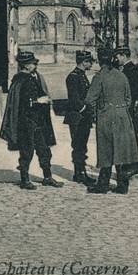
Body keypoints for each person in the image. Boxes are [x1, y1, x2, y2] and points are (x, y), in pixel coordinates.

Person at [0, 51, 63, 190]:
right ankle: (24, 180)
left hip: (38, 122)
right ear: (26, 65)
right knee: (26, 151)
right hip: (26, 123)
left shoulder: (32, 78)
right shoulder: (20, 80)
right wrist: (38, 101)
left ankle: (47, 177)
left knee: (44, 150)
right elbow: (23, 105)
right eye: (33, 63)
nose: (35, 65)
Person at [84, 48, 138, 194]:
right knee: (121, 149)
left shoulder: (99, 77)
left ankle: (103, 184)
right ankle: (123, 185)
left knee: (106, 150)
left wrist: (99, 109)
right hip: (123, 115)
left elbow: (90, 99)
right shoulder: (122, 76)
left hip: (106, 116)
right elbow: (129, 98)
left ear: (99, 60)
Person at [63, 50, 96, 185]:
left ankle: (81, 172)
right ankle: (79, 174)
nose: (91, 64)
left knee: (82, 145)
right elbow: (74, 99)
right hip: (77, 117)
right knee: (78, 145)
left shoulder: (81, 75)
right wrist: (85, 110)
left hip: (83, 117)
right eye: (90, 62)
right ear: (84, 62)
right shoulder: (73, 76)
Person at [115, 46, 138, 176]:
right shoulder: (127, 69)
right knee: (129, 137)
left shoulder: (130, 70)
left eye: (118, 56)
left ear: (123, 56)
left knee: (131, 137)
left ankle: (134, 166)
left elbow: (134, 92)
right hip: (130, 108)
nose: (116, 59)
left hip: (132, 109)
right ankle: (131, 165)